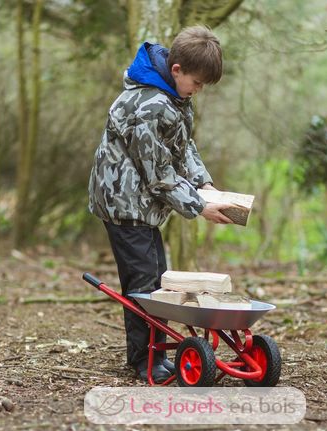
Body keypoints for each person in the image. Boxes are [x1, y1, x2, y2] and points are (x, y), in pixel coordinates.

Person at [88, 25, 233, 383]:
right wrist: (199, 206)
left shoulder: (174, 96)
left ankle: (150, 353)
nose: (198, 90)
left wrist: (205, 184)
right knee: (145, 282)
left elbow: (184, 148)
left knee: (156, 278)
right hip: (124, 202)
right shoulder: (151, 105)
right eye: (197, 83)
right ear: (177, 69)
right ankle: (145, 361)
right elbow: (160, 174)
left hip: (141, 203)